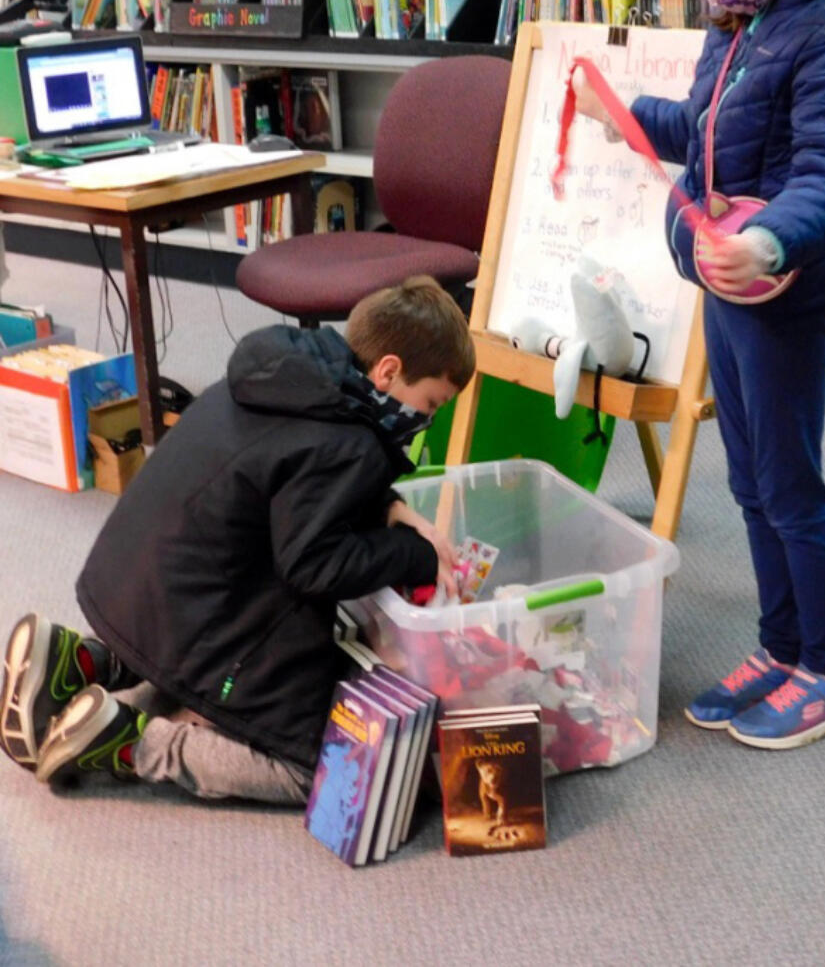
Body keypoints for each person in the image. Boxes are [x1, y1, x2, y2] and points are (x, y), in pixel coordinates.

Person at [572, 0, 825, 750]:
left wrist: (765, 238)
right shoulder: (746, 11)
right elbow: (712, 131)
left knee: (789, 484)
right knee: (750, 478)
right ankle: (781, 646)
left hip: (784, 281)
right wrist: (627, 115)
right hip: (731, 273)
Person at [0, 276, 472, 802]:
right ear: (388, 371)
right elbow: (314, 566)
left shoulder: (294, 375)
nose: (426, 419)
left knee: (233, 587)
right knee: (310, 765)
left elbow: (293, 479)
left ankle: (85, 662)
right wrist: (416, 556)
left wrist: (390, 506)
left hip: (132, 584)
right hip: (196, 605)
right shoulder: (350, 444)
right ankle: (128, 740)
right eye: (431, 403)